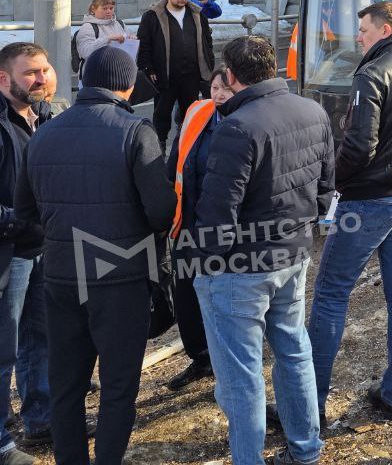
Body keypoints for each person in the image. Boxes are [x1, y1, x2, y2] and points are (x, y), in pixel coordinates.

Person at [15, 46, 175, 465]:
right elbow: (161, 212)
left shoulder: (43, 133)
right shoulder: (135, 131)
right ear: (126, 85)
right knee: (119, 385)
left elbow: (26, 213)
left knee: (66, 385)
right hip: (119, 280)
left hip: (60, 277)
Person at [192, 35, 333, 465]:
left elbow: (218, 211)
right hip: (292, 255)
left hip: (240, 269)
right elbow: (327, 191)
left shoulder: (238, 125)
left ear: (230, 76)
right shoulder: (312, 110)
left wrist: (209, 265)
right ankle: (305, 451)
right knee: (293, 352)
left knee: (241, 377)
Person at [307, 1, 392, 422]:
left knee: (330, 294)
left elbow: (357, 146)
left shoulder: (371, 74)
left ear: (385, 30)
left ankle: (308, 403)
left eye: (364, 30)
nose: (359, 37)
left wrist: (331, 182)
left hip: (371, 199)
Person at [0, 44, 58, 465]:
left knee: (41, 338)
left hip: (42, 248)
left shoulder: (44, 117)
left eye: (44, 70)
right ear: (4, 79)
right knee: (4, 350)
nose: (40, 80)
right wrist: (18, 220)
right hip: (9, 254)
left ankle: (40, 420)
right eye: (30, 74)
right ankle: (1, 444)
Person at [163, 68, 234, 392]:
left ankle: (225, 366)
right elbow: (175, 161)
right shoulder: (197, 113)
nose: (219, 94)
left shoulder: (242, 121)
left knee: (220, 297)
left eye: (226, 89)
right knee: (186, 294)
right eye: (215, 87)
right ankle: (200, 357)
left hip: (221, 231)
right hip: (186, 223)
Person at [137, 0, 223, 149]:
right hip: (164, 75)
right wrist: (148, 69)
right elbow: (144, 44)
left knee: (189, 112)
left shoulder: (196, 14)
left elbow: (207, 39)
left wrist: (209, 61)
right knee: (161, 113)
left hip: (191, 75)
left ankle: (185, 144)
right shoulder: (153, 16)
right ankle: (158, 146)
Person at [72, 0, 131, 79]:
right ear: (93, 9)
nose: (108, 11)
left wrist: (131, 40)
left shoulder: (119, 24)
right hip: (95, 77)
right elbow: (85, 52)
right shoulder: (88, 27)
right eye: (104, 8)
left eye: (111, 8)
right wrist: (108, 38)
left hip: (118, 74)